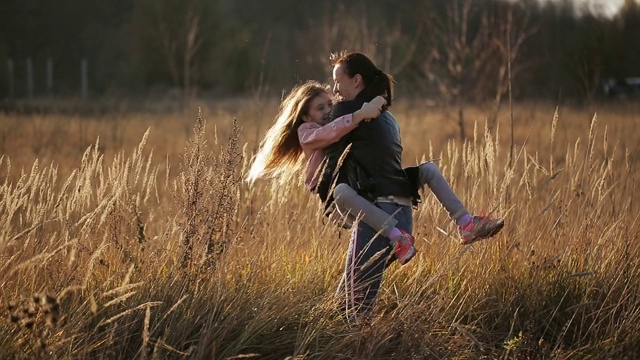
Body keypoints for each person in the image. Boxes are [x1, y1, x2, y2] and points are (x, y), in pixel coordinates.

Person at [319, 51, 504, 321]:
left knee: (355, 309)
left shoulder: (351, 112)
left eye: (338, 81)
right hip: (402, 217)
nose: (334, 90)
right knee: (345, 299)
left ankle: (364, 349)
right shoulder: (387, 116)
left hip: (378, 217)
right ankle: (465, 222)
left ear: (356, 80)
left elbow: (320, 137)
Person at [246, 81, 417, 264]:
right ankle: (397, 236)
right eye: (320, 108)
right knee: (352, 214)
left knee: (366, 218)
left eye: (330, 104)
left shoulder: (336, 122)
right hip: (327, 189)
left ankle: (394, 243)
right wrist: (359, 115)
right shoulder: (307, 132)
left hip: (343, 181)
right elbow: (330, 133)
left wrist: (378, 98)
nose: (328, 110)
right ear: (306, 117)